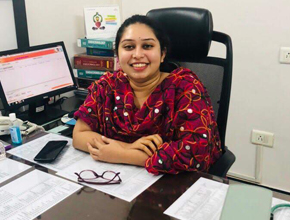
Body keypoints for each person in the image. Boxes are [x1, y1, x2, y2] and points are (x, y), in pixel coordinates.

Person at [73, 15, 222, 175]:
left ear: (163, 53)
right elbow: (79, 135)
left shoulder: (185, 87)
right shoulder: (106, 86)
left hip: (173, 185)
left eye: (147, 46)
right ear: (117, 54)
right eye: (129, 47)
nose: (137, 54)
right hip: (114, 183)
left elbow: (197, 153)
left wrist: (123, 154)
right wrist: (128, 146)